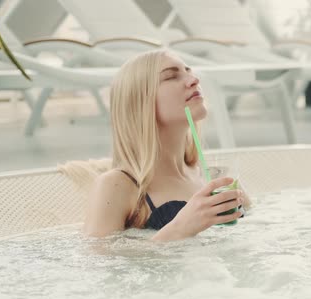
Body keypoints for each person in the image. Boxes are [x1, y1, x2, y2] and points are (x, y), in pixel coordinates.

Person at [84, 50, 246, 241]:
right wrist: (178, 229)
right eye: (171, 76)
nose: (193, 80)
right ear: (140, 101)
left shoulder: (214, 177)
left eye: (189, 72)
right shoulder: (117, 186)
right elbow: (95, 263)